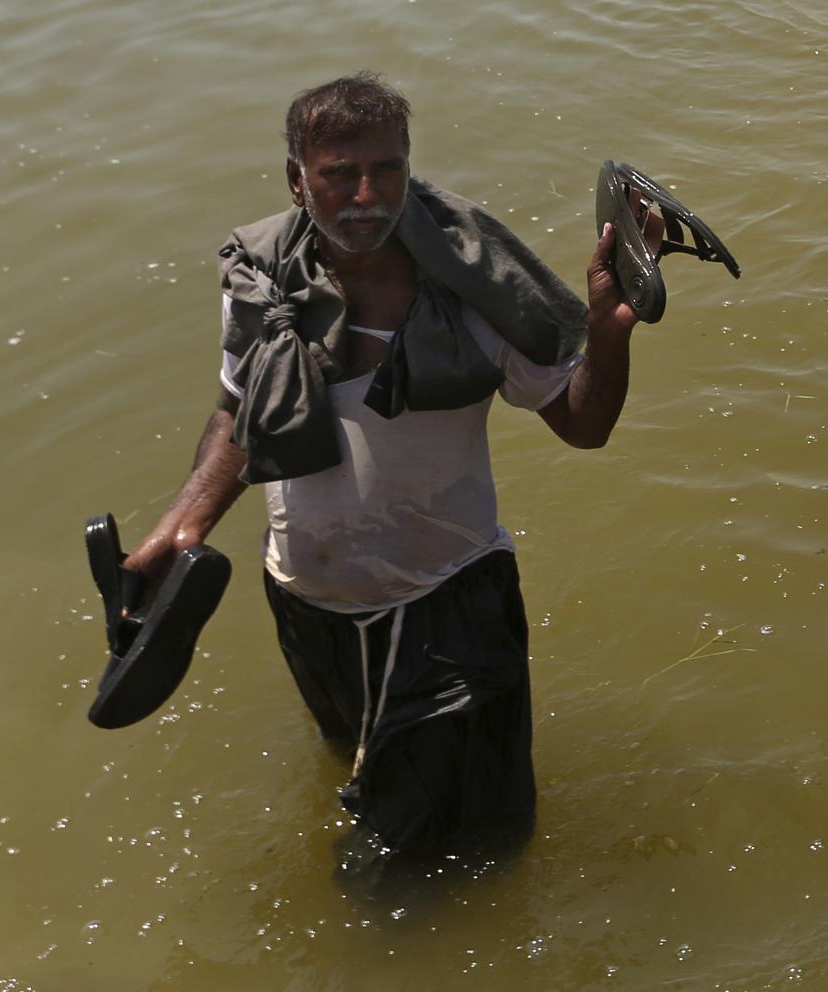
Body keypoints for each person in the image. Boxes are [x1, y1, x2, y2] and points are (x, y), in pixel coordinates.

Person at [117, 72, 664, 874]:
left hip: (446, 600)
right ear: (297, 182)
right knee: (356, 762)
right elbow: (241, 413)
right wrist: (186, 521)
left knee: (436, 862)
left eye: (388, 170)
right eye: (339, 174)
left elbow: (583, 426)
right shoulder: (265, 280)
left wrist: (609, 335)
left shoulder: (476, 290)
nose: (366, 195)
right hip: (308, 600)